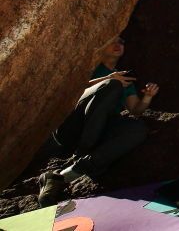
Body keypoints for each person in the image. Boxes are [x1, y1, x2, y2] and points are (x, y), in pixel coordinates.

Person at [37, 36, 160, 207]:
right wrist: (108, 80)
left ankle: (65, 175)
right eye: (113, 40)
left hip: (100, 129)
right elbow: (70, 92)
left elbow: (135, 110)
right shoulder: (89, 67)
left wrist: (147, 97)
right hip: (73, 128)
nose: (118, 44)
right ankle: (83, 152)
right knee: (112, 86)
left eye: (122, 41)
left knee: (138, 129)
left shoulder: (123, 77)